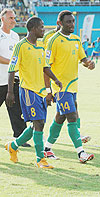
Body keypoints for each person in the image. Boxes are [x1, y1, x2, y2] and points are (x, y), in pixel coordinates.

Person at [5, 16, 62, 169]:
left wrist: (55, 81)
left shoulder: (41, 46)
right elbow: (12, 70)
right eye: (41, 27)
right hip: (28, 91)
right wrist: (10, 92)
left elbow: (45, 67)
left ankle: (13, 146)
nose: (44, 30)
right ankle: (40, 159)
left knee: (36, 125)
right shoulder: (21, 45)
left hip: (41, 92)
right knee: (38, 123)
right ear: (33, 29)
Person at [44, 10, 95, 163]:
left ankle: (47, 149)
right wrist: (48, 91)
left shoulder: (76, 39)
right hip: (60, 88)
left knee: (60, 118)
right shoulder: (53, 41)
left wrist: (89, 64)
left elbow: (83, 58)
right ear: (60, 23)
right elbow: (46, 67)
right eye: (68, 22)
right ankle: (81, 153)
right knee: (72, 116)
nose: (72, 24)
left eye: (73, 21)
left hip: (73, 86)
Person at [0, 8, 30, 147]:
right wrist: (13, 62)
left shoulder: (15, 36)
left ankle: (19, 138)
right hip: (0, 81)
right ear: (3, 19)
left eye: (14, 18)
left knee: (16, 110)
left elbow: (17, 56)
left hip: (13, 80)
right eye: (11, 18)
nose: (14, 20)